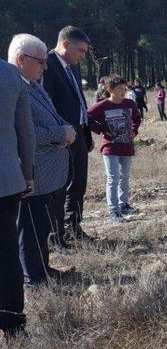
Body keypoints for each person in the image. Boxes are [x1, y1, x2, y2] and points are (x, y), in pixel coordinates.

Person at [10, 34, 77, 287]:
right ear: (20, 59)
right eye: (40, 62)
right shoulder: (14, 88)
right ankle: (33, 279)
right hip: (31, 173)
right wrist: (61, 134)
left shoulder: (34, 84)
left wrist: (66, 128)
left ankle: (43, 268)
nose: (45, 66)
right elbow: (20, 134)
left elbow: (53, 115)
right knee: (29, 230)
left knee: (41, 227)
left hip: (49, 175)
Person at [42, 25, 94, 243]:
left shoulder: (72, 66)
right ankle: (56, 235)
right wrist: (61, 133)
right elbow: (47, 106)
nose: (83, 56)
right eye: (80, 51)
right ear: (65, 44)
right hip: (62, 137)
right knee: (60, 187)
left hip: (79, 133)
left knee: (78, 183)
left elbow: (79, 101)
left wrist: (86, 133)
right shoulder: (47, 65)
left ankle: (74, 227)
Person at [0, 57, 35, 340]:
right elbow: (25, 130)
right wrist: (27, 171)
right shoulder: (10, 74)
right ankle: (13, 326)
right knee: (7, 253)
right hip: (7, 179)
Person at [88, 74, 141, 223]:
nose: (123, 91)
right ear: (110, 90)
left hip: (126, 146)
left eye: (124, 88)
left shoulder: (130, 104)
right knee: (113, 178)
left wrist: (133, 131)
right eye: (119, 89)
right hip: (110, 147)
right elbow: (87, 117)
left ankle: (123, 205)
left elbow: (137, 119)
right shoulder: (102, 105)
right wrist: (102, 129)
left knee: (124, 176)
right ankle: (113, 210)